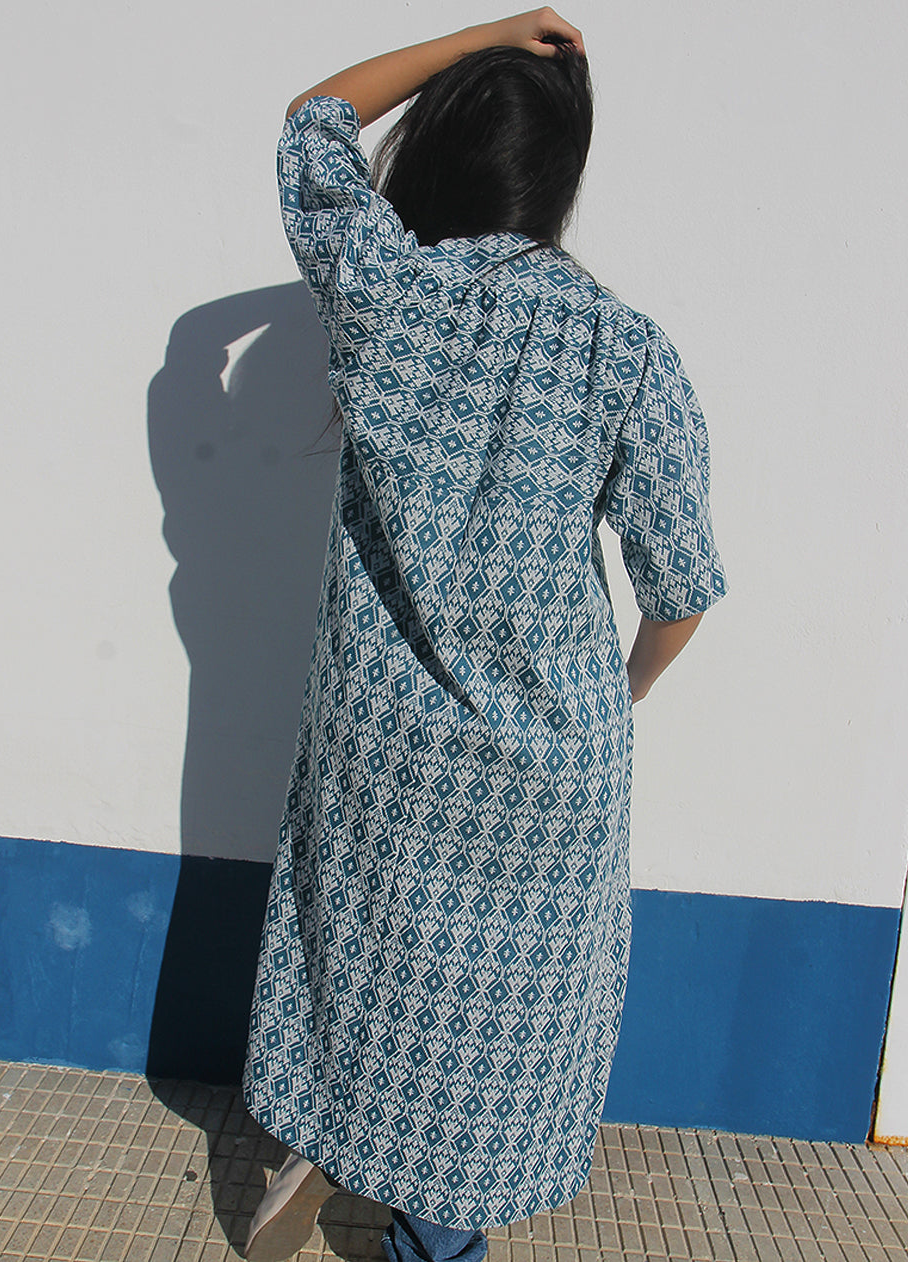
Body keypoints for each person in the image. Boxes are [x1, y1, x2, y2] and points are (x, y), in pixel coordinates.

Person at [242, 8, 727, 1262]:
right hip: (548, 766)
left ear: (448, 159)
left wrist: (490, 31)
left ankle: (334, 1138)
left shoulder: (382, 291)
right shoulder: (623, 349)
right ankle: (429, 1229)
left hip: (385, 748)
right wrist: (610, 702)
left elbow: (313, 125)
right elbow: (678, 589)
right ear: (561, 173)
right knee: (497, 1035)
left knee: (370, 965)